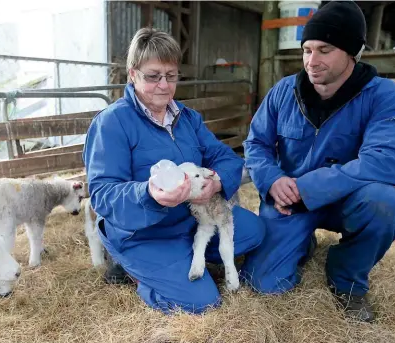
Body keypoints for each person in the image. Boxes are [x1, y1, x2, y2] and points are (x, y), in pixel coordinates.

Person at [241, 1, 395, 323]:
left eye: (324, 49)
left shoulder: (381, 95)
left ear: (351, 52)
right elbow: (256, 144)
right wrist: (271, 180)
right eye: (307, 50)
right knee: (264, 283)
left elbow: (386, 161)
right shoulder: (283, 92)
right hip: (287, 199)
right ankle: (300, 242)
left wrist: (308, 188)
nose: (311, 60)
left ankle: (347, 278)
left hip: (344, 199)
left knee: (385, 203)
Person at [82, 27, 265, 314]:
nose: (164, 86)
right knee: (202, 303)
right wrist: (148, 193)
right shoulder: (113, 123)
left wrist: (216, 183)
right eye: (153, 76)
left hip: (190, 220)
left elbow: (226, 159)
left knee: (254, 230)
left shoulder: (188, 118)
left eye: (171, 76)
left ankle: (182, 260)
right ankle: (136, 271)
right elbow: (103, 194)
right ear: (132, 74)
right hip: (142, 232)